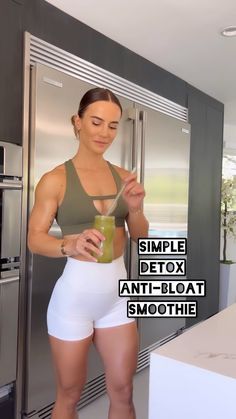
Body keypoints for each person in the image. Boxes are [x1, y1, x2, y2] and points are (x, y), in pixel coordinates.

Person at [28, 87, 149, 419]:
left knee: (123, 389)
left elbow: (140, 237)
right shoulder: (54, 180)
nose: (104, 133)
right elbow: (35, 239)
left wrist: (135, 210)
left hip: (117, 298)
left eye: (112, 126)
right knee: (69, 393)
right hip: (74, 300)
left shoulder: (124, 178)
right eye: (96, 122)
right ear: (77, 122)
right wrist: (70, 244)